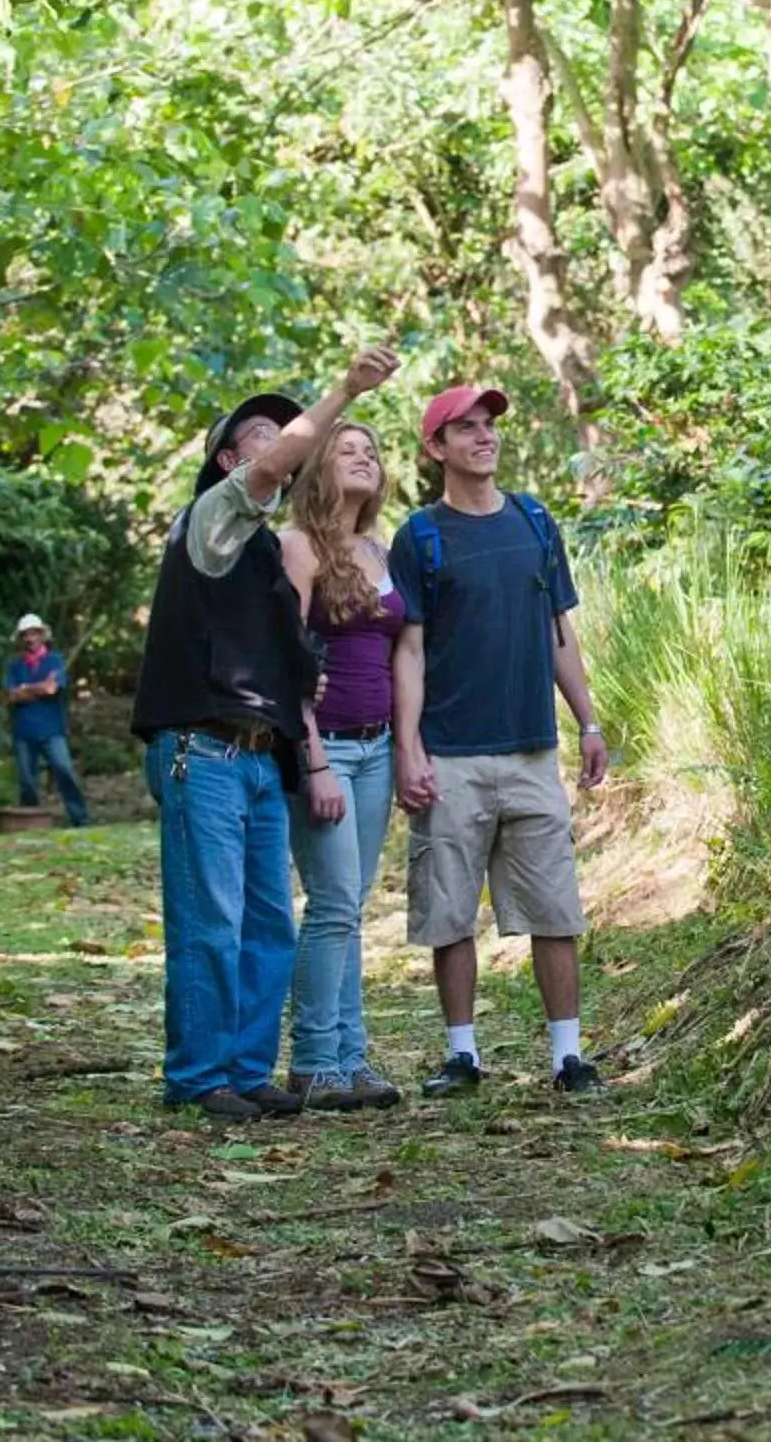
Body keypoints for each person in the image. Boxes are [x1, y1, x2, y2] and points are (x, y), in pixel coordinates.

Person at [132, 346, 402, 1125]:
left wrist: (299, 693)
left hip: (256, 758)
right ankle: (199, 1075)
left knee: (268, 925)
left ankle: (248, 1070)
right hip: (201, 750)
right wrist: (346, 388)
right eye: (267, 434)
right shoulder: (213, 519)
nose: (288, 443)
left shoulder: (268, 555)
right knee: (210, 922)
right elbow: (272, 469)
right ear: (228, 457)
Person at [390, 383, 611, 1099]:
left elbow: (559, 634)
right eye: (467, 428)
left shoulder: (536, 522)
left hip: (531, 752)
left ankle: (568, 1057)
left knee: (556, 907)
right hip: (450, 754)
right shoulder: (419, 536)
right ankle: (462, 1056)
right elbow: (410, 650)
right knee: (450, 911)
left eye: (490, 426)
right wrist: (409, 748)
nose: (485, 437)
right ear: (436, 448)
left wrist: (588, 721)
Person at [278, 423, 414, 1111]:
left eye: (372, 451)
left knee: (350, 908)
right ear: (318, 470)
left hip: (378, 747)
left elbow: (403, 655)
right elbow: (288, 658)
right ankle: (312, 1061)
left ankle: (350, 1059)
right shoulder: (297, 547)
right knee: (331, 904)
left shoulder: (380, 551)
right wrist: (314, 760)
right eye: (346, 449)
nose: (364, 457)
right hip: (325, 749)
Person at [5, 614, 92, 826]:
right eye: (26, 635)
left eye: (34, 633)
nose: (30, 638)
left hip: (52, 729)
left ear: (42, 636)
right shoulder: (14, 665)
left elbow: (52, 688)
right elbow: (12, 695)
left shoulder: (55, 660)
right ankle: (29, 822)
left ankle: (80, 818)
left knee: (64, 770)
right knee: (27, 780)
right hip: (24, 729)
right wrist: (39, 688)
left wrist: (26, 688)